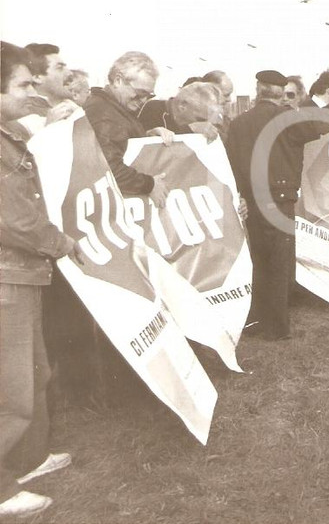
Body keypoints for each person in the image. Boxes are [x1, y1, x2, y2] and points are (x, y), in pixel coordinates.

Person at [1, 41, 86, 519]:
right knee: (9, 388)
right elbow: (14, 219)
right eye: (23, 84)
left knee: (33, 375)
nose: (33, 90)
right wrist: (62, 243)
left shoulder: (10, 132)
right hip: (8, 276)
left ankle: (28, 460)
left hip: (22, 274)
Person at [225, 70, 327, 340]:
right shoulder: (287, 119)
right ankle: (278, 326)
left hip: (249, 196)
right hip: (280, 197)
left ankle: (255, 319)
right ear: (281, 93)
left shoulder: (237, 123)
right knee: (280, 261)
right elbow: (320, 125)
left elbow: (232, 161)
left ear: (258, 89)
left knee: (257, 258)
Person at [83, 51, 169, 206]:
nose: (143, 101)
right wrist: (149, 184)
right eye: (140, 93)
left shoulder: (112, 108)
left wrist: (147, 137)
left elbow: (117, 144)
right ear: (118, 81)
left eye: (148, 96)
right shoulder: (105, 115)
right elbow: (108, 169)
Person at [138, 82, 223, 138]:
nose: (204, 125)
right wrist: (190, 129)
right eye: (200, 119)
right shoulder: (153, 110)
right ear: (182, 106)